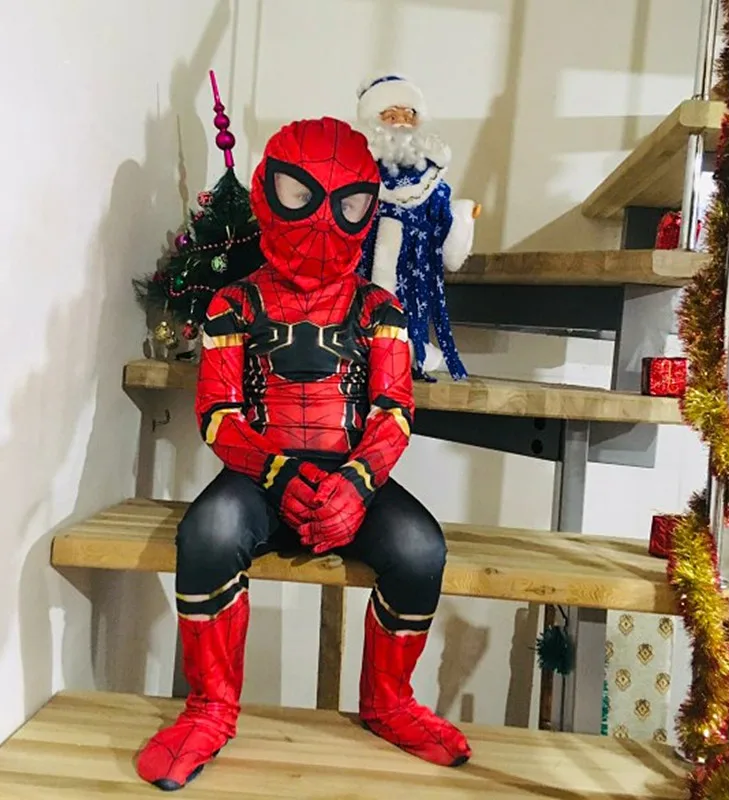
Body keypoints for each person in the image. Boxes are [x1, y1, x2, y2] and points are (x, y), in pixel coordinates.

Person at [135, 117, 471, 792]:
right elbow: (219, 413)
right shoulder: (234, 304)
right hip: (258, 477)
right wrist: (279, 472)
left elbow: (394, 410)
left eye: (347, 204)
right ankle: (209, 707)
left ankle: (389, 702)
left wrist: (356, 482)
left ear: (367, 208)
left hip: (350, 476)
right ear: (269, 192)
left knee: (419, 549)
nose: (321, 221)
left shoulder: (380, 309)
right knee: (207, 534)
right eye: (301, 196)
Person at [356, 72, 480, 381]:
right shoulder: (357, 175)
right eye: (391, 116)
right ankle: (360, 350)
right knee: (362, 304)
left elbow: (442, 218)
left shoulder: (431, 179)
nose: (401, 123)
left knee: (410, 306)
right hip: (366, 257)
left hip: (414, 261)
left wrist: (461, 216)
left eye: (408, 115)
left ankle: (411, 351)